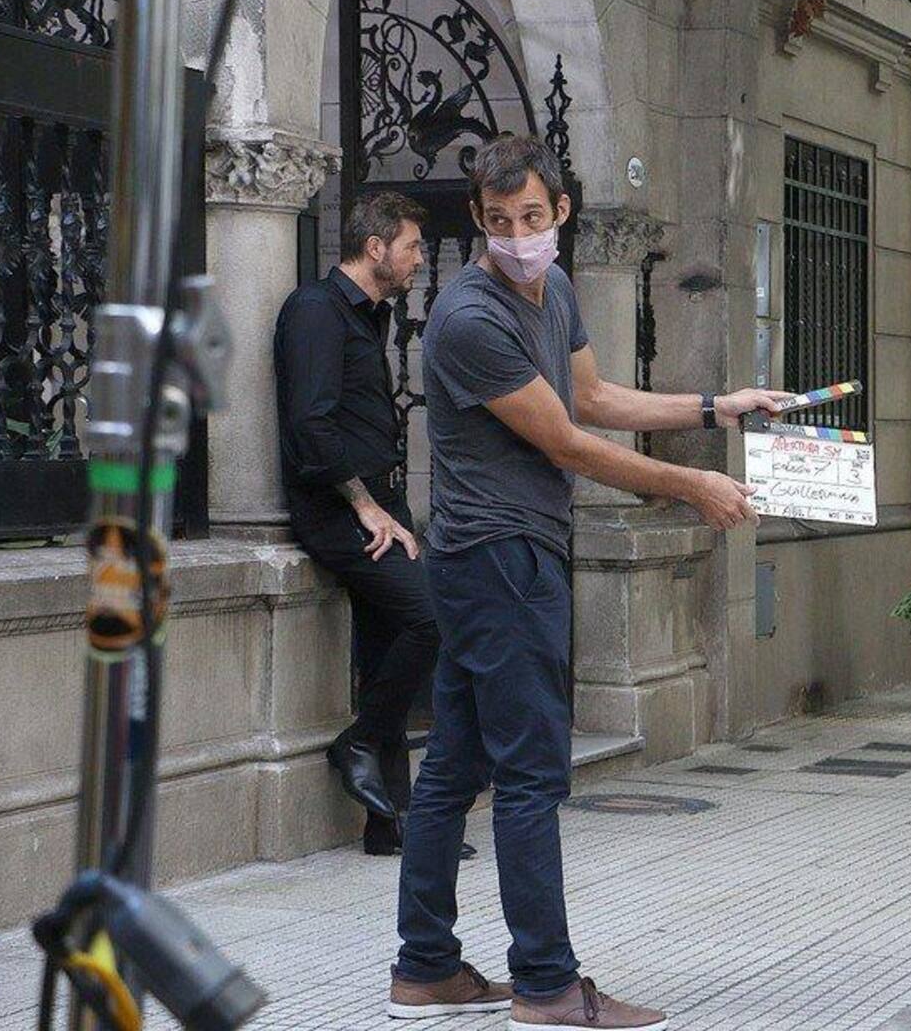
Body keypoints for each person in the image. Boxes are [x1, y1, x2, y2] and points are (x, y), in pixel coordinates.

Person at [386, 134, 791, 1029]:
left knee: (454, 764)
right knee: (531, 774)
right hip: (497, 560)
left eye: (533, 217)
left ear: (561, 212)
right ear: (480, 223)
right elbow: (566, 443)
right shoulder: (468, 319)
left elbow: (595, 399)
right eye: (499, 223)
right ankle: (546, 985)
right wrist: (693, 484)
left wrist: (715, 407)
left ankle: (425, 969)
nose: (518, 235)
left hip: (505, 556)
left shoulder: (555, 288)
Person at [274, 192, 444, 856]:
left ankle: (390, 826)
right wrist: (365, 505)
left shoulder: (369, 315)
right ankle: (358, 743)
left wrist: (387, 504)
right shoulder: (315, 311)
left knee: (386, 653)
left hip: (381, 504)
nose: (419, 260)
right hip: (341, 510)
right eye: (412, 247)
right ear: (376, 247)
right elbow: (309, 426)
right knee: (430, 618)